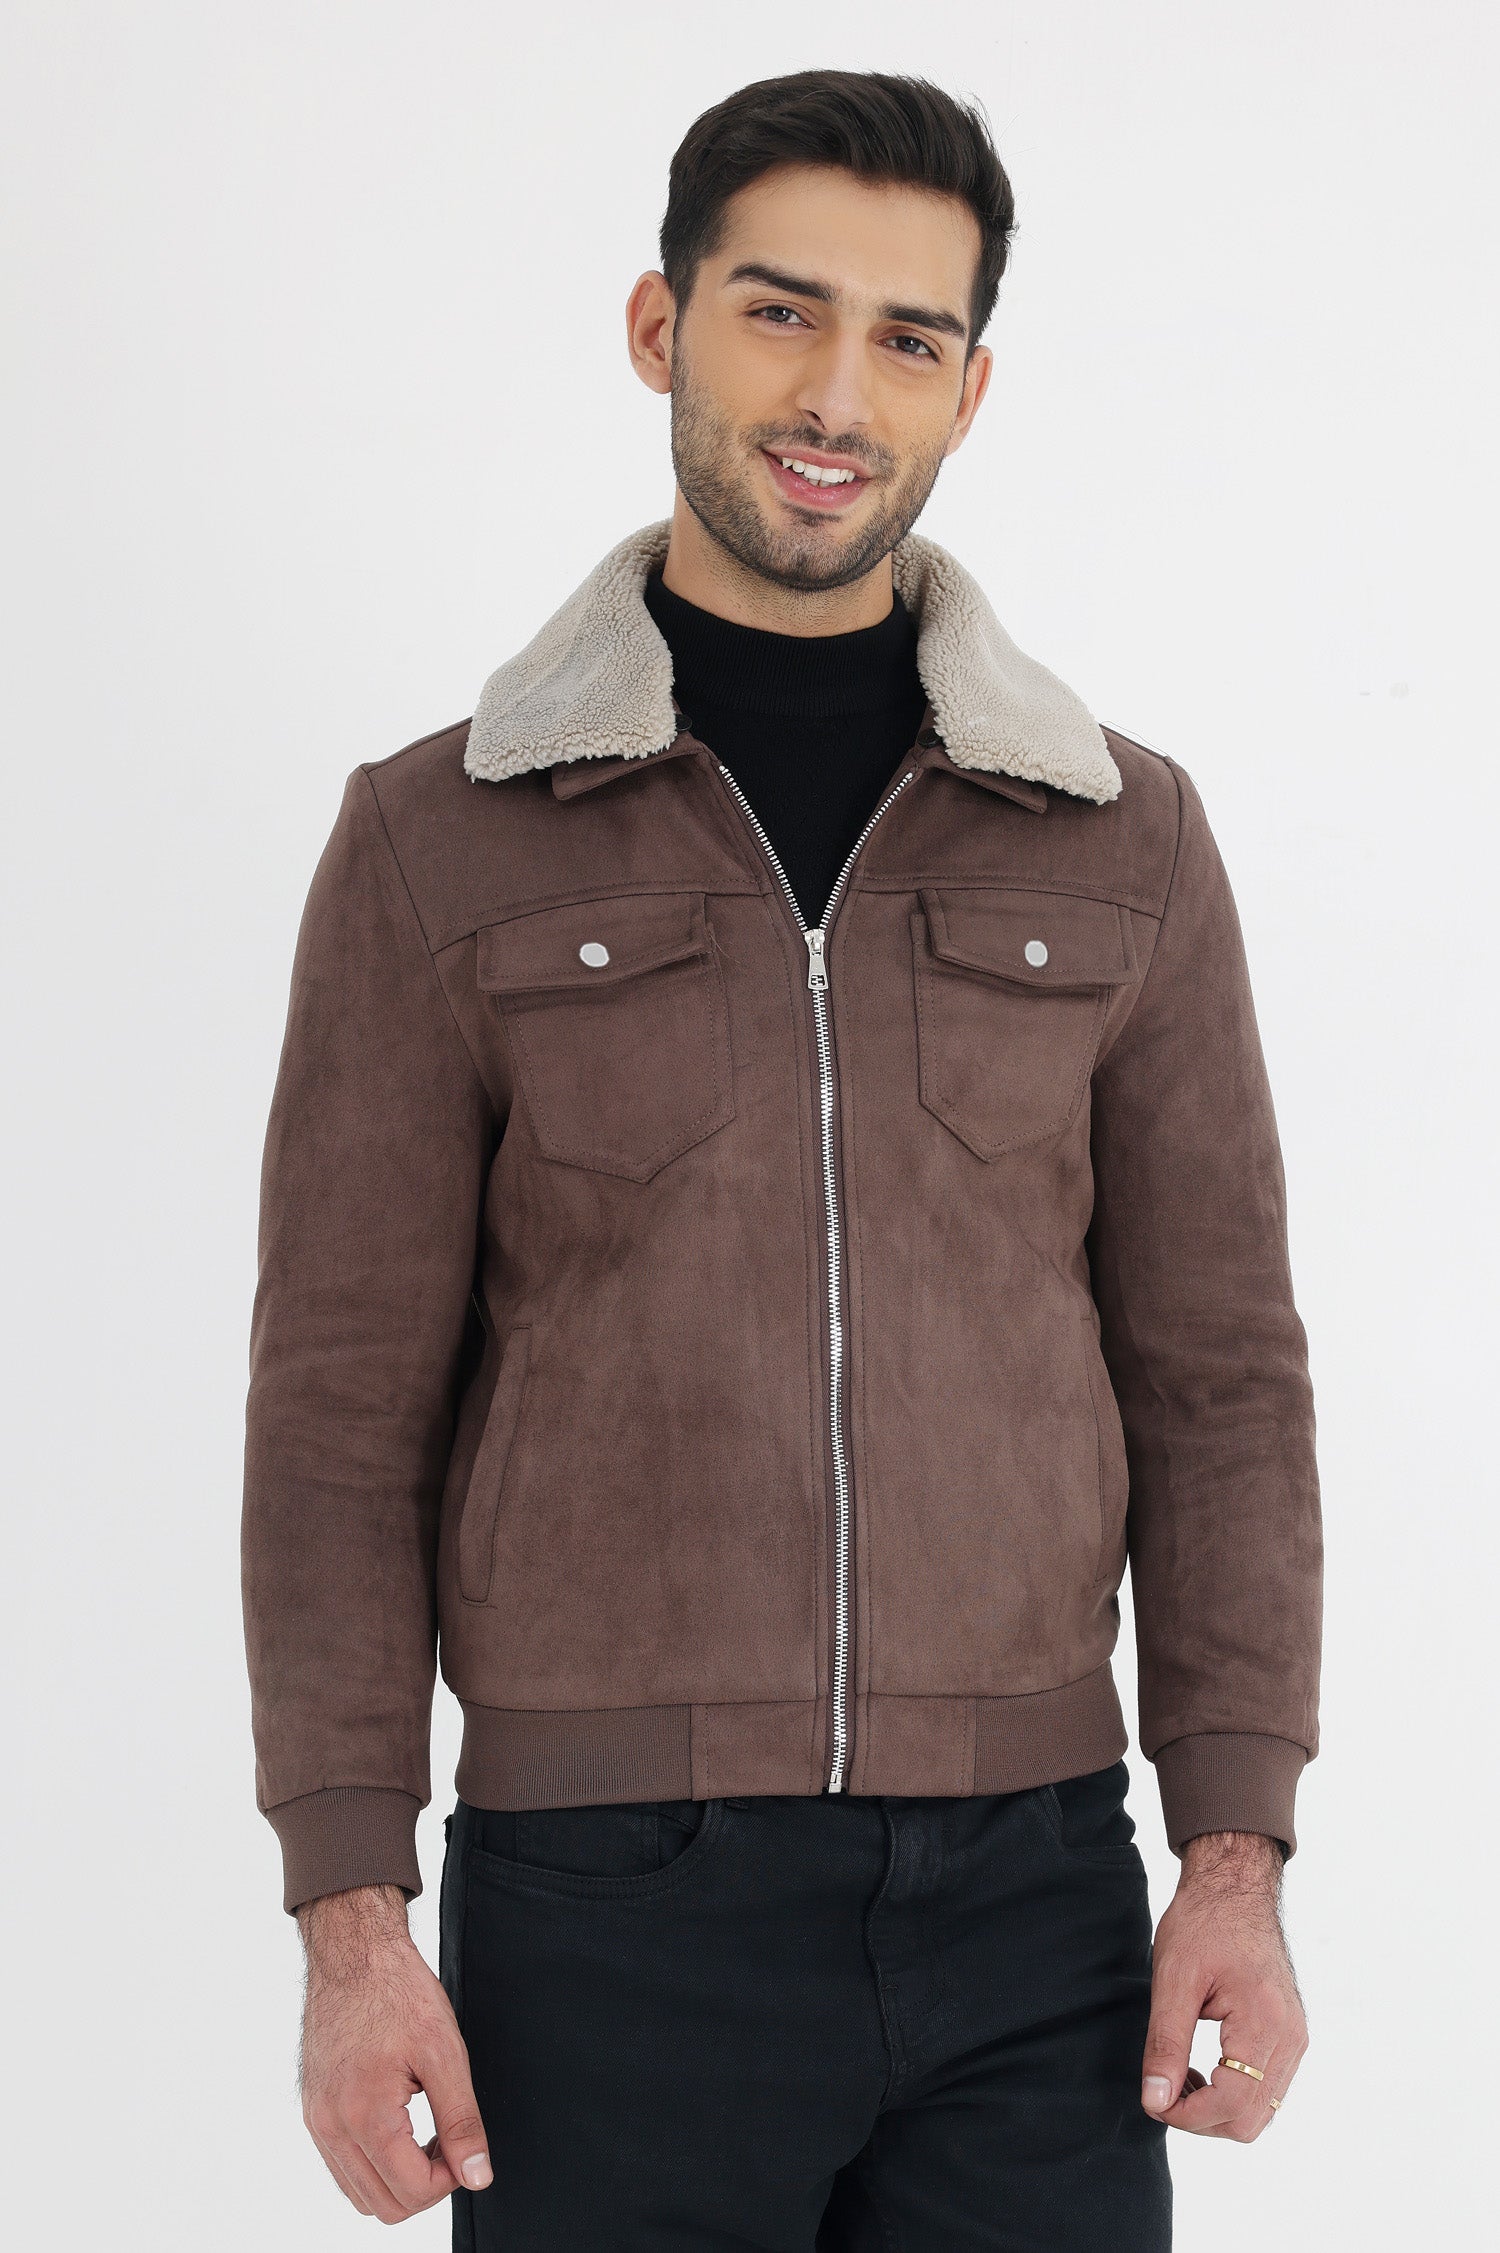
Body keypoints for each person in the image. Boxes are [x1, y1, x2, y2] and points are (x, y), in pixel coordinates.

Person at [242, 68, 1321, 2250]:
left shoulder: (1126, 839)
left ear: (969, 389)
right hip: (601, 1911)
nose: (838, 395)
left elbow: (1220, 1379)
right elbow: (341, 1411)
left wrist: (1236, 1858)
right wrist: (354, 1925)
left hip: (1041, 1898)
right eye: (779, 312)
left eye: (908, 338)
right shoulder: (435, 838)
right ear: (661, 327)